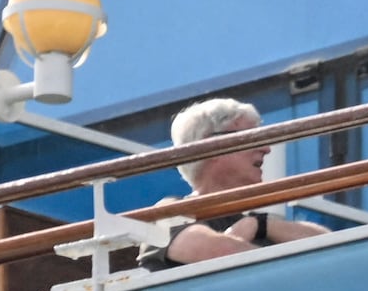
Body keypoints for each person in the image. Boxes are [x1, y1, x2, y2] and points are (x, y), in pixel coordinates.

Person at [138, 98, 329, 270]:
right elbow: (221, 253)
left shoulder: (259, 225)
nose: (266, 149)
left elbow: (331, 249)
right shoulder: (167, 213)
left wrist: (261, 224)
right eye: (251, 138)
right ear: (211, 147)